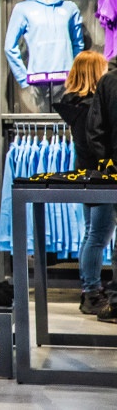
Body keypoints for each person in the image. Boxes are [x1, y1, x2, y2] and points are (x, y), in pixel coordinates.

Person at [54, 50, 109, 315]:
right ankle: (92, 292)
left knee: (91, 234)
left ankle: (90, 289)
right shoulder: (91, 108)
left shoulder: (74, 105)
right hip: (101, 175)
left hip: (85, 174)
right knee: (98, 235)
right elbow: (98, 143)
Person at [85, 52, 117, 323]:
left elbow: (95, 130)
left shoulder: (107, 82)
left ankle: (116, 301)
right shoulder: (108, 82)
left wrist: (107, 162)